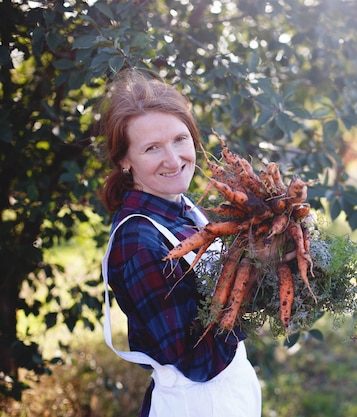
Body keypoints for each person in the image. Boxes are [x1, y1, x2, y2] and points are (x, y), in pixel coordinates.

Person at [97, 69, 262, 417]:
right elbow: (196, 359)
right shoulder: (139, 242)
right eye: (152, 148)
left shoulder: (182, 208)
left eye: (180, 139)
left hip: (230, 393)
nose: (173, 160)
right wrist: (257, 288)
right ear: (125, 161)